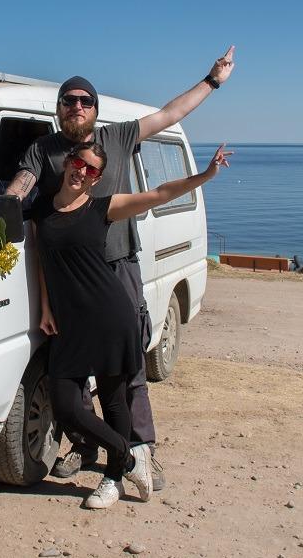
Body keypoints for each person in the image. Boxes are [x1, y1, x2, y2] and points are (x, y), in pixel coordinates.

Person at [6, 45, 235, 490]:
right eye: (68, 100)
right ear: (58, 110)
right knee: (71, 371)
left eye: (84, 100)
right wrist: (3, 207)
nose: (76, 106)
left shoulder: (117, 137)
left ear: (95, 109)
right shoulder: (43, 150)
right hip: (69, 276)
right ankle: (89, 445)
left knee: (126, 370)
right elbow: (21, 186)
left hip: (118, 268)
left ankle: (141, 448)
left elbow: (170, 114)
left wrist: (212, 81)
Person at [32, 140, 231, 508]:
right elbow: (42, 259)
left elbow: (159, 193)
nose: (81, 172)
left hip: (110, 315)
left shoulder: (102, 208)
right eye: (79, 163)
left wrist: (206, 175)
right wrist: (46, 307)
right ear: (68, 162)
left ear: (97, 179)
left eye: (91, 170)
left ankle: (112, 479)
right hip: (69, 323)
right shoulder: (41, 207)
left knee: (113, 400)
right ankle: (128, 455)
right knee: (66, 406)